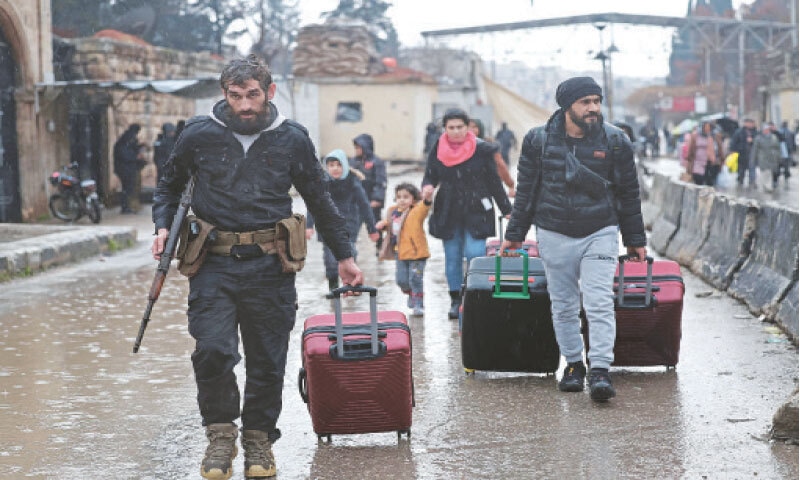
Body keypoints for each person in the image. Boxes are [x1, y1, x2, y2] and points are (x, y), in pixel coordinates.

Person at [151, 55, 363, 480]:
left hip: (271, 264)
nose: (244, 106)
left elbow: (320, 199)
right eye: (235, 96)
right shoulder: (198, 134)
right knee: (213, 350)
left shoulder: (293, 139)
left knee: (267, 359)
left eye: (252, 95)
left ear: (269, 92)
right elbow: (168, 188)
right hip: (212, 263)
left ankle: (258, 438)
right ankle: (221, 435)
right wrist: (161, 228)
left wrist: (345, 256)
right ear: (224, 94)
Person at [499, 76, 647, 403]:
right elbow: (527, 192)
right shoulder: (538, 141)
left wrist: (635, 238)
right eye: (586, 102)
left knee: (597, 301)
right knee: (564, 304)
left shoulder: (616, 141)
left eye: (597, 101)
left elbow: (628, 193)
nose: (593, 108)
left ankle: (600, 371)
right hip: (553, 231)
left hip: (600, 231)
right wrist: (515, 235)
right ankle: (574, 365)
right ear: (568, 106)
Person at [421, 108, 513, 319]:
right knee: (452, 258)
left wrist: (507, 209)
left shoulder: (482, 149)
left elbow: (493, 181)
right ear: (445, 129)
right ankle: (455, 300)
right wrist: (427, 187)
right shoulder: (438, 148)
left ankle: (476, 296)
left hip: (477, 208)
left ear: (467, 127)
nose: (455, 132)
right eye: (451, 128)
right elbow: (430, 175)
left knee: (475, 254)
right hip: (448, 208)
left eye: (459, 127)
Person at [306, 149, 379, 290]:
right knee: (330, 261)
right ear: (326, 167)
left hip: (348, 226)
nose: (335, 168)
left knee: (349, 253)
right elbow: (313, 205)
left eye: (338, 165)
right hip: (327, 227)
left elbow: (364, 206)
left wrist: (372, 229)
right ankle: (333, 289)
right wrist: (309, 226)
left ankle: (352, 285)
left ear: (344, 165)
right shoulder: (322, 183)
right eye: (331, 165)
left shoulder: (353, 182)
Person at [375, 183, 433, 316]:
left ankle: (418, 304)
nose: (402, 200)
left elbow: (425, 206)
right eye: (399, 197)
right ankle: (411, 294)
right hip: (400, 253)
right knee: (401, 280)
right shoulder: (393, 212)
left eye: (406, 197)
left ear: (413, 199)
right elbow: (392, 228)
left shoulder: (416, 211)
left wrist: (428, 198)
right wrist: (383, 225)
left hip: (417, 254)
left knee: (416, 279)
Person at [350, 133, 387, 255]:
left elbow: (381, 181)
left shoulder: (377, 162)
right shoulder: (353, 162)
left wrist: (377, 198)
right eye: (355, 148)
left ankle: (380, 247)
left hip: (371, 201)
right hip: (356, 202)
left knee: (375, 225)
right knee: (353, 226)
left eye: (358, 147)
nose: (356, 150)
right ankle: (350, 249)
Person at [469, 118, 516, 197]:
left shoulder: (488, 146)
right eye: (468, 127)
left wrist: (510, 184)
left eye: (474, 127)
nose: (471, 130)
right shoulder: (458, 146)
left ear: (480, 129)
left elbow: (501, 166)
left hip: (483, 191)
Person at [113, 123, 143, 214]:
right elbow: (124, 154)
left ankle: (127, 206)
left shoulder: (128, 139)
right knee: (127, 189)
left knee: (128, 188)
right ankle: (125, 207)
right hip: (125, 169)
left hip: (128, 168)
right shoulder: (126, 140)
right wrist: (136, 157)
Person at [685, 121, 723, 186]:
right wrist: (689, 160)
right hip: (697, 162)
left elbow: (720, 148)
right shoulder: (696, 135)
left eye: (709, 127)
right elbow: (691, 148)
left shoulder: (715, 136)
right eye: (706, 127)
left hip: (710, 162)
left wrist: (721, 159)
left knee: (709, 182)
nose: (707, 129)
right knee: (698, 180)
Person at [751, 122, 782, 192]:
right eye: (765, 129)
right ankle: (765, 188)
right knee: (764, 174)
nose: (766, 131)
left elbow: (778, 148)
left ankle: (767, 188)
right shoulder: (758, 138)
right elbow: (754, 150)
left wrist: (779, 157)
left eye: (767, 129)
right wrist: (753, 160)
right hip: (763, 159)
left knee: (770, 173)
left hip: (772, 159)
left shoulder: (774, 138)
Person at [729, 118, 758, 187]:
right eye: (748, 123)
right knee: (741, 168)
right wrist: (733, 150)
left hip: (752, 153)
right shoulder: (739, 132)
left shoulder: (755, 132)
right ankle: (740, 180)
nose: (750, 124)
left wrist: (752, 140)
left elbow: (758, 141)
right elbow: (734, 142)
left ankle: (752, 181)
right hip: (742, 153)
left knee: (752, 167)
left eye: (751, 123)